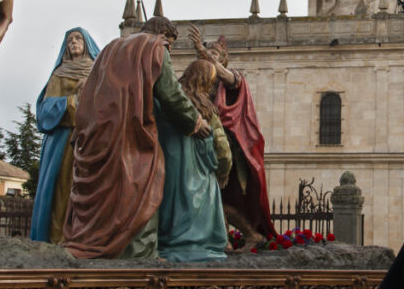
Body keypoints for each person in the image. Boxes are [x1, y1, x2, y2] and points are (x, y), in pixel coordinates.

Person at [62, 16, 210, 259]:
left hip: (96, 133)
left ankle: (98, 249)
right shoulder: (155, 47)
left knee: (105, 192)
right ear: (163, 35)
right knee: (142, 184)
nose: (169, 49)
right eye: (170, 43)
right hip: (129, 133)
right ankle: (138, 256)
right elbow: (172, 95)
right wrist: (195, 122)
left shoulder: (110, 48)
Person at [188, 26, 276, 246]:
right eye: (208, 54)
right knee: (212, 196)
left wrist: (201, 50)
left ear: (224, 60)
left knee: (219, 195)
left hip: (228, 147)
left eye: (215, 54)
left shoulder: (234, 77)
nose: (210, 57)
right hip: (202, 143)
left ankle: (245, 236)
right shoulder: (201, 82)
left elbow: (223, 75)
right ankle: (226, 239)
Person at [155, 59, 232, 262]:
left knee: (170, 208)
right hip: (200, 175)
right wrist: (223, 170)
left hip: (167, 170)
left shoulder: (166, 105)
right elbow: (223, 149)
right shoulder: (207, 110)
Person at [30, 28, 100, 243]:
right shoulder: (59, 73)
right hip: (63, 142)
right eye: (70, 40)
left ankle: (89, 240)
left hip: (92, 139)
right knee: (62, 189)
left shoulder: (98, 72)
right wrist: (72, 101)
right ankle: (59, 237)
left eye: (78, 38)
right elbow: (45, 110)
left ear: (87, 43)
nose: (74, 43)